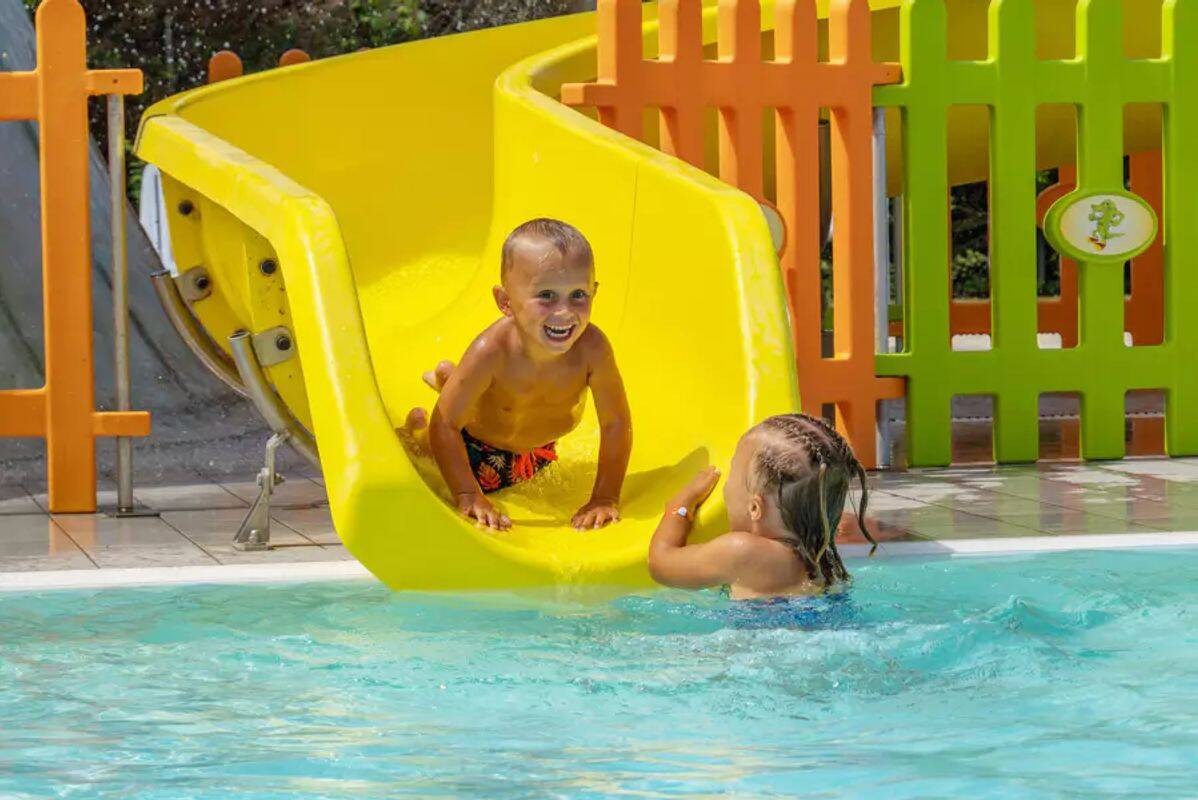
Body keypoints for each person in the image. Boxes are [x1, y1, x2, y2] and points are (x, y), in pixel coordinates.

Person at [405, 218, 632, 532]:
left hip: (539, 454)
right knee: (421, 454)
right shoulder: (491, 351)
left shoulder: (593, 349)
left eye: (578, 294)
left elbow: (615, 423)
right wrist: (468, 493)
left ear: (594, 292)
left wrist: (605, 497)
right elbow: (445, 425)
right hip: (477, 449)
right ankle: (418, 425)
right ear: (506, 302)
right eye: (547, 295)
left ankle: (450, 380)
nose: (564, 311)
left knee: (473, 395)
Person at [648, 413, 875, 599]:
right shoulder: (823, 560)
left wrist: (679, 506)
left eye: (732, 470)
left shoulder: (741, 550)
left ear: (755, 508)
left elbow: (661, 563)